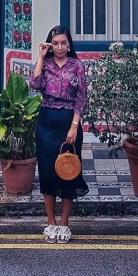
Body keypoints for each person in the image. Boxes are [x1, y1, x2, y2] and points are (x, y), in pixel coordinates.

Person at [29, 25, 88, 243]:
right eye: (55, 43)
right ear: (50, 45)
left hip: (68, 125)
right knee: (47, 173)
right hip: (46, 125)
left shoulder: (77, 66)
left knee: (68, 172)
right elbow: (35, 85)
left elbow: (82, 98)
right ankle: (51, 223)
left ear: (69, 44)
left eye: (63, 43)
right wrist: (40, 57)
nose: (60, 47)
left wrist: (74, 126)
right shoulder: (45, 64)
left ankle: (64, 224)